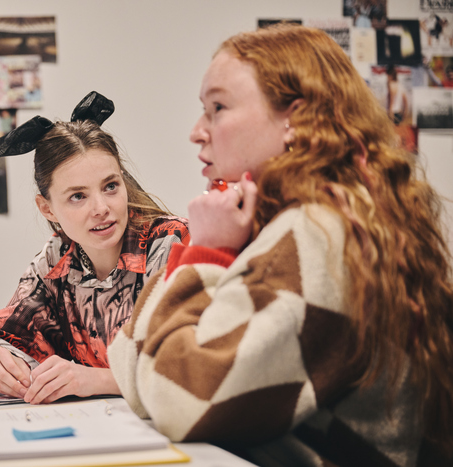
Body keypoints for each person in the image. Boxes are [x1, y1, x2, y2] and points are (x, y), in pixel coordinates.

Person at [107, 24, 453, 466]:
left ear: (295, 118)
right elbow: (131, 369)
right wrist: (203, 254)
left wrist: (205, 255)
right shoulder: (287, 223)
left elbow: (178, 401)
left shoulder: (319, 232)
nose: (197, 131)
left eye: (217, 107)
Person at [0, 91, 190, 405]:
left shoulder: (171, 244)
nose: (101, 208)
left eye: (110, 186)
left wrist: (95, 379)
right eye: (78, 196)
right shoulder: (57, 258)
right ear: (47, 209)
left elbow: (189, 367)